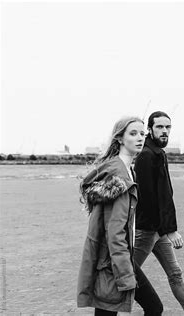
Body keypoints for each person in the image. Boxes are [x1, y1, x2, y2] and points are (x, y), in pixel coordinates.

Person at [77, 116, 164, 316]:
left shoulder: (126, 170)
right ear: (120, 139)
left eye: (142, 133)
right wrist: (124, 273)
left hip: (116, 258)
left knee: (110, 310)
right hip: (113, 261)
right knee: (154, 307)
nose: (140, 138)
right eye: (133, 134)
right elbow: (115, 232)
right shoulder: (119, 177)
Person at [133, 111, 184, 316]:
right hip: (146, 230)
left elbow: (165, 194)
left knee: (175, 274)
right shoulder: (146, 155)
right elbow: (151, 198)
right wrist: (171, 230)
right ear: (150, 130)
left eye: (167, 127)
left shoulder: (158, 153)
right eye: (160, 127)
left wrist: (166, 229)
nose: (164, 131)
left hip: (158, 229)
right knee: (124, 274)